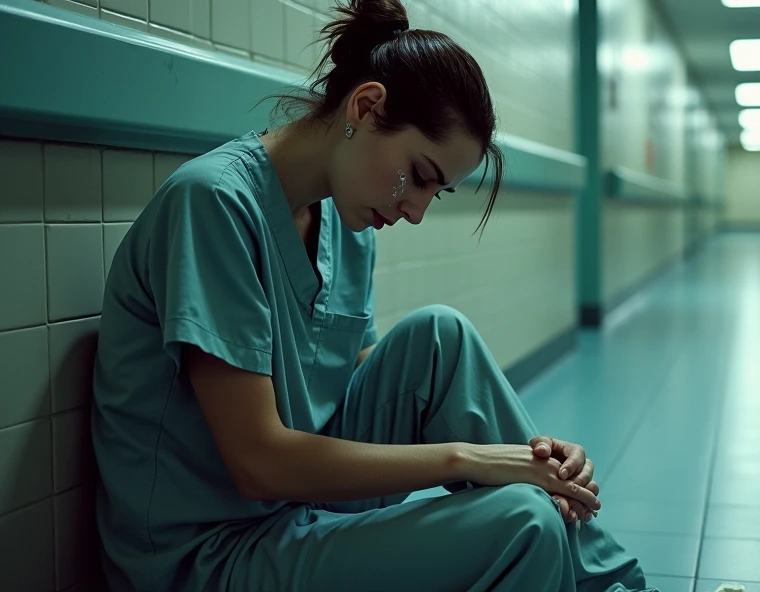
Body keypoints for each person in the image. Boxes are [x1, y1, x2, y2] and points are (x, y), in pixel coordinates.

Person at [91, 0, 655, 590]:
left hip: (298, 514)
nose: (412, 210)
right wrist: (474, 459)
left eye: (432, 195)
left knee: (441, 336)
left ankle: (615, 584)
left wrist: (530, 458)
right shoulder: (213, 204)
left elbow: (356, 371)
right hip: (213, 554)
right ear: (366, 106)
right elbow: (258, 463)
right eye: (418, 175)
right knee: (523, 521)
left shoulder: (346, 221)